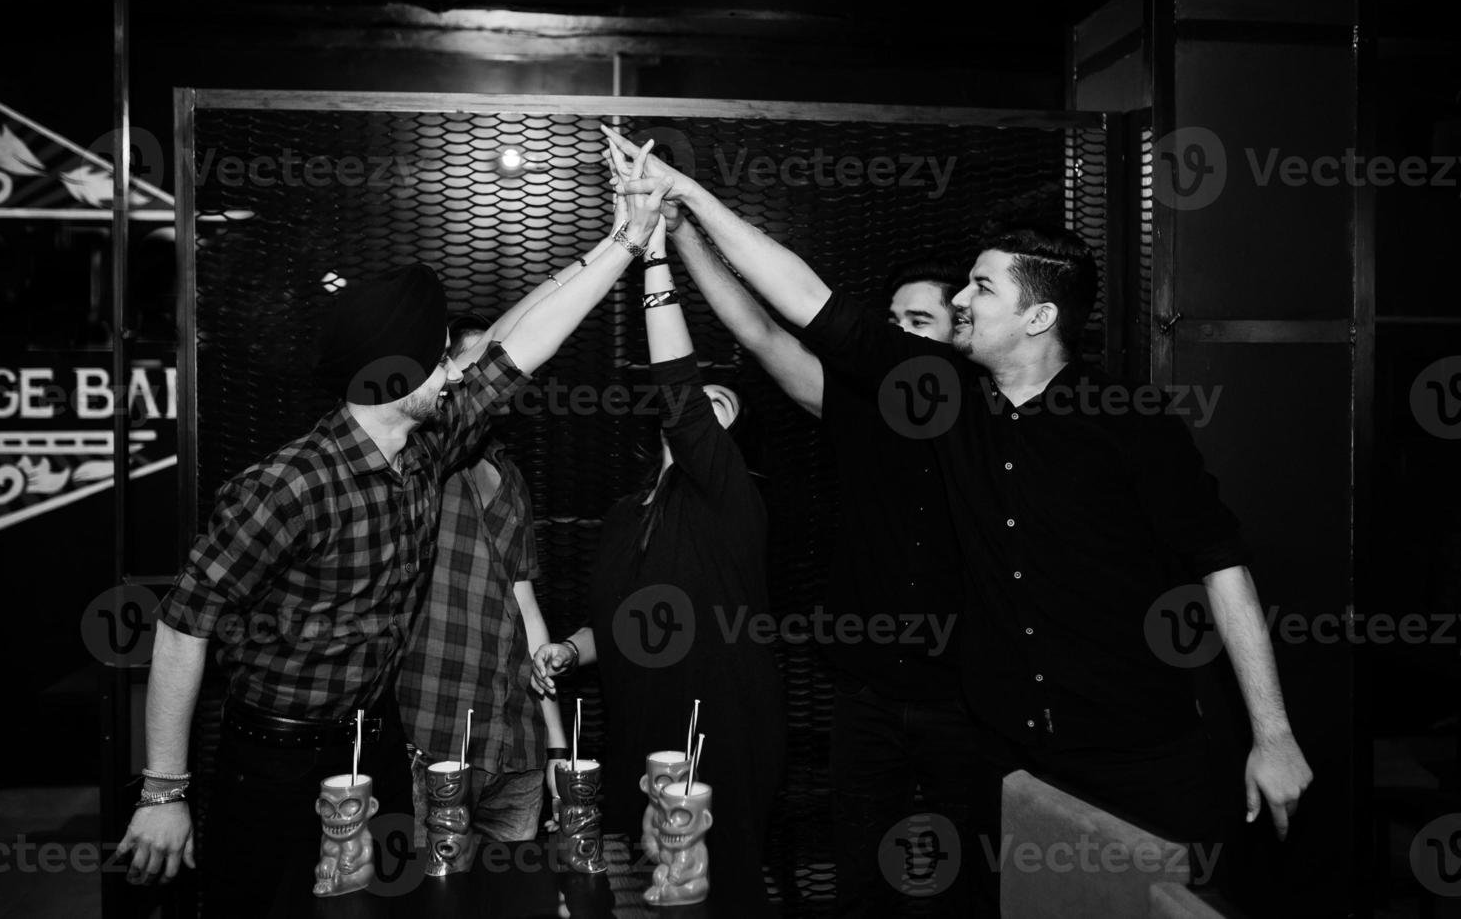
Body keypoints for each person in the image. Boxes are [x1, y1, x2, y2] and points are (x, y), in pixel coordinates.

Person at [603, 125, 1313, 910]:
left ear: (1038, 319)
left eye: (981, 289)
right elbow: (803, 304)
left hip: (1140, 744)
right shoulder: (943, 397)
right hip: (1017, 749)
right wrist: (686, 200)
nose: (961, 301)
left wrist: (1272, 735)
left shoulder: (1130, 420)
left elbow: (1219, 561)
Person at [114, 139, 671, 918]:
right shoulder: (286, 486)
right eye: (439, 360)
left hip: (373, 739)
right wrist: (163, 790)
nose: (454, 372)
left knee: (392, 908)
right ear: (396, 374)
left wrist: (623, 239)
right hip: (271, 754)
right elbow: (183, 625)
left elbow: (521, 351)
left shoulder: (427, 445)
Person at [669, 214, 974, 916]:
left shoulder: (987, 419)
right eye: (890, 319)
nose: (896, 334)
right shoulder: (861, 405)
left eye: (917, 320)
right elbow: (762, 333)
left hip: (966, 694)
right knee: (860, 877)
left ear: (962, 332)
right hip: (866, 690)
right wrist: (684, 237)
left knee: (967, 878)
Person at [531, 157, 786, 909]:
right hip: (638, 731)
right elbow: (625, 622)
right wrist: (568, 648)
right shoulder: (626, 511)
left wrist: (651, 253)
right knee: (645, 894)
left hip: (720, 736)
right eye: (693, 403)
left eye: (714, 401)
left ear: (730, 423)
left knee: (716, 895)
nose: (695, 411)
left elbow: (675, 386)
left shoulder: (729, 496)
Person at [395, 310, 567, 846]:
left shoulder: (512, 477)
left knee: (516, 899)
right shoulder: (417, 466)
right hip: (433, 734)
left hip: (515, 744)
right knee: (432, 900)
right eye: (483, 362)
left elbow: (526, 605)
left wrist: (558, 748)